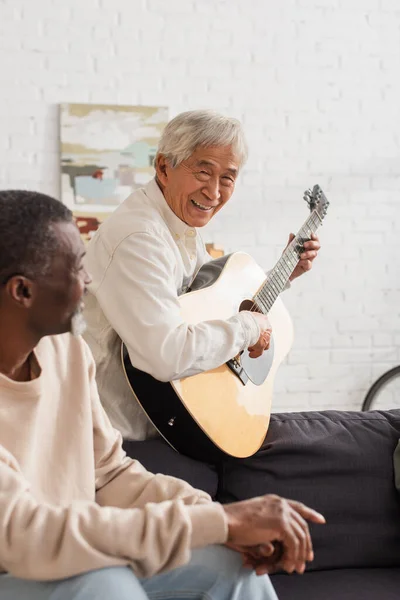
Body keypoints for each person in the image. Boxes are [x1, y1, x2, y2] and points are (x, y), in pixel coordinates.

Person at [0, 189, 325, 600]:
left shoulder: (68, 352)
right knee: (107, 584)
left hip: (71, 555)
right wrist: (219, 523)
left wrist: (220, 521)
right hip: (15, 566)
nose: (88, 280)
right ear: (22, 292)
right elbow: (27, 534)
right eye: (75, 267)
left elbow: (109, 474)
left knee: (235, 567)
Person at [83, 110, 321, 448]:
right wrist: (249, 328)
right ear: (164, 168)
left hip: (163, 421)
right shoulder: (139, 238)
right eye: (203, 171)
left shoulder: (178, 224)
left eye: (227, 178)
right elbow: (167, 354)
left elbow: (211, 302)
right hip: (120, 436)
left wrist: (284, 275)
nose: (213, 192)